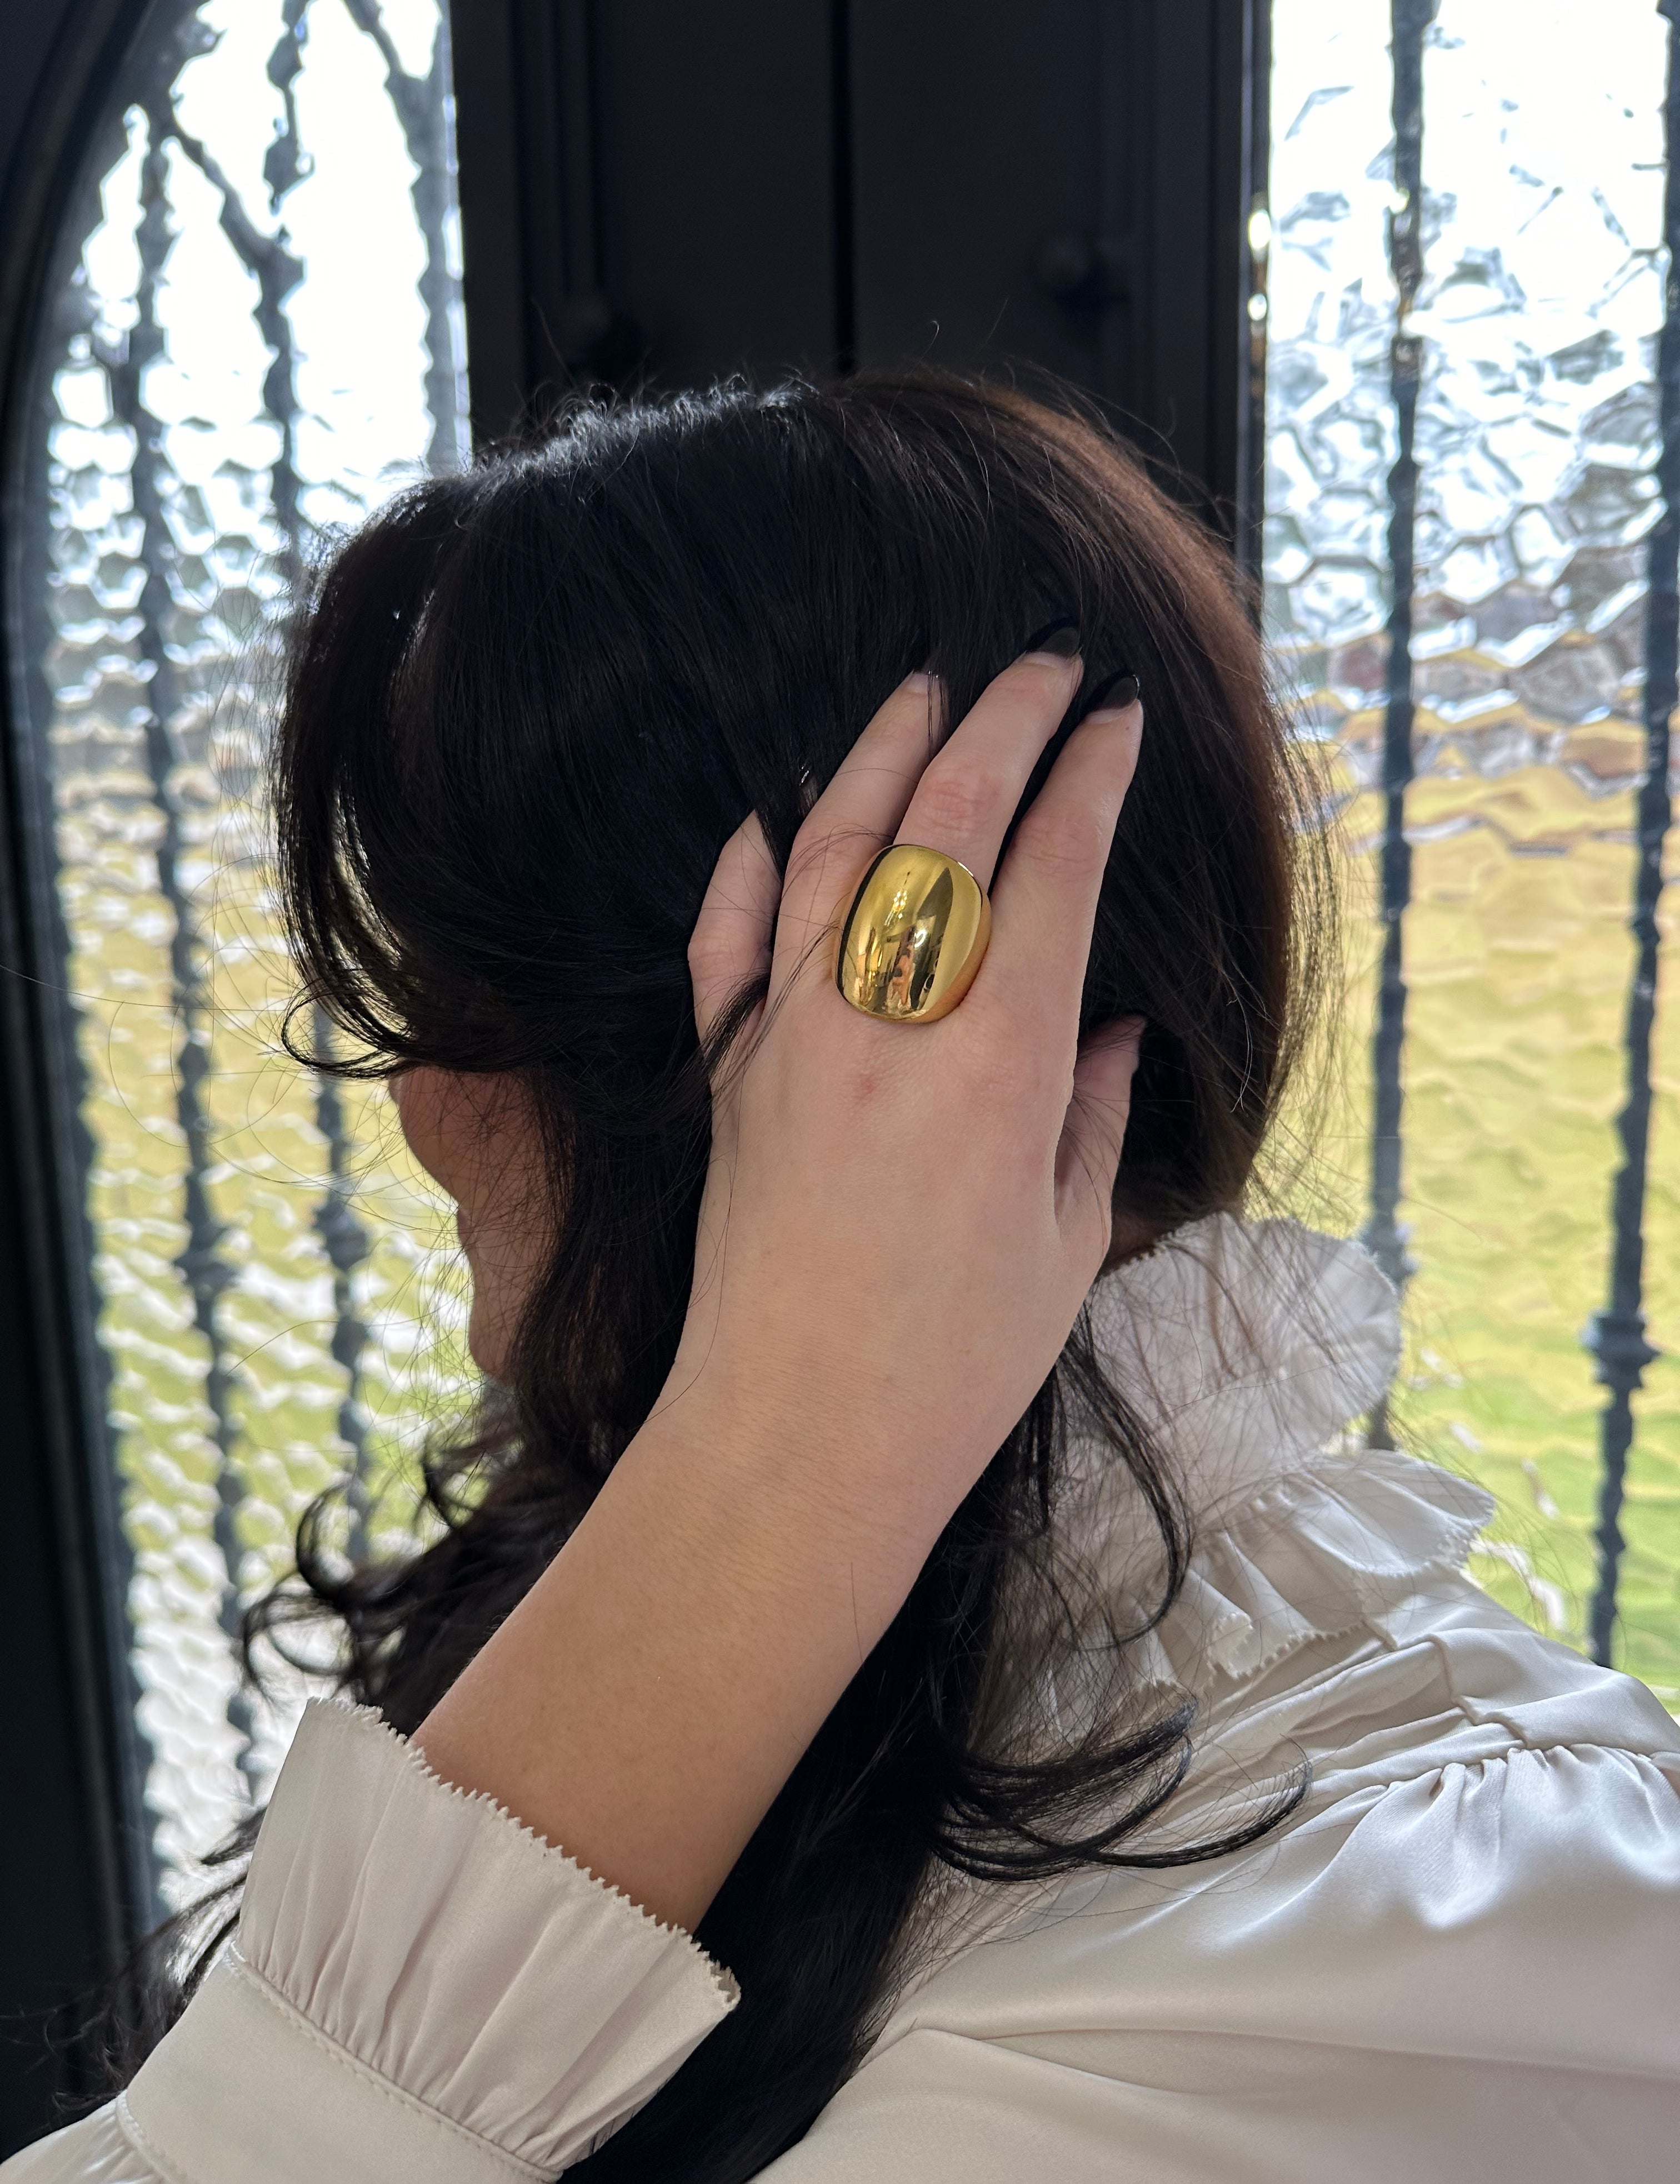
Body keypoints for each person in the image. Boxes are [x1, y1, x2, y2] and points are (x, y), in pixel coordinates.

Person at [8, 373, 1678, 2183]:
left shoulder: (1424, 1961)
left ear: (882, 1026)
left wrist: (782, 1438)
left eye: (467, 1004)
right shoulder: (712, 1600)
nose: (417, 1107)